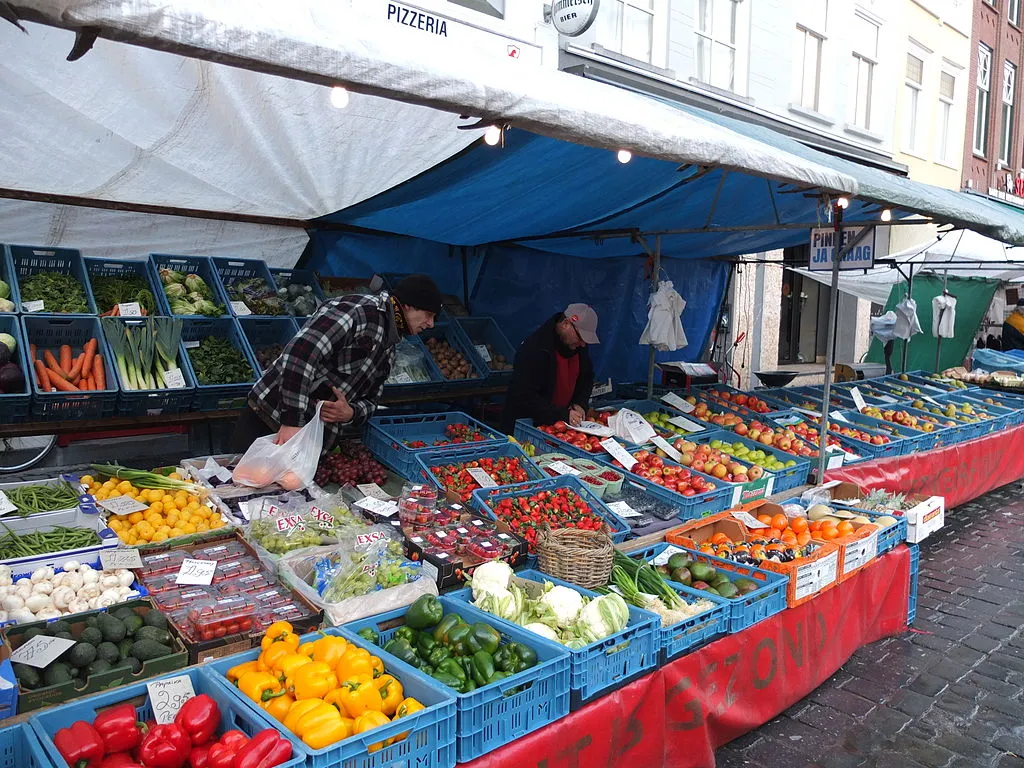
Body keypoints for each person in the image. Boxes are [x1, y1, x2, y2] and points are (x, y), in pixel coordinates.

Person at [230, 274, 442, 452]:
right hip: (271, 418)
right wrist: (292, 420)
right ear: (408, 306)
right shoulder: (359, 312)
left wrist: (350, 412)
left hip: (306, 438)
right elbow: (300, 355)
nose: (431, 324)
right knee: (237, 485)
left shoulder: (389, 347)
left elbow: (372, 400)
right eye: (428, 315)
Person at [500, 303, 599, 433]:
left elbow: (586, 377)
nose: (583, 343)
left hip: (560, 426)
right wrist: (561, 414)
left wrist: (580, 403)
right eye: (581, 337)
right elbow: (525, 396)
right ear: (566, 324)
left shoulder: (578, 346)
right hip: (527, 425)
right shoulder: (534, 349)